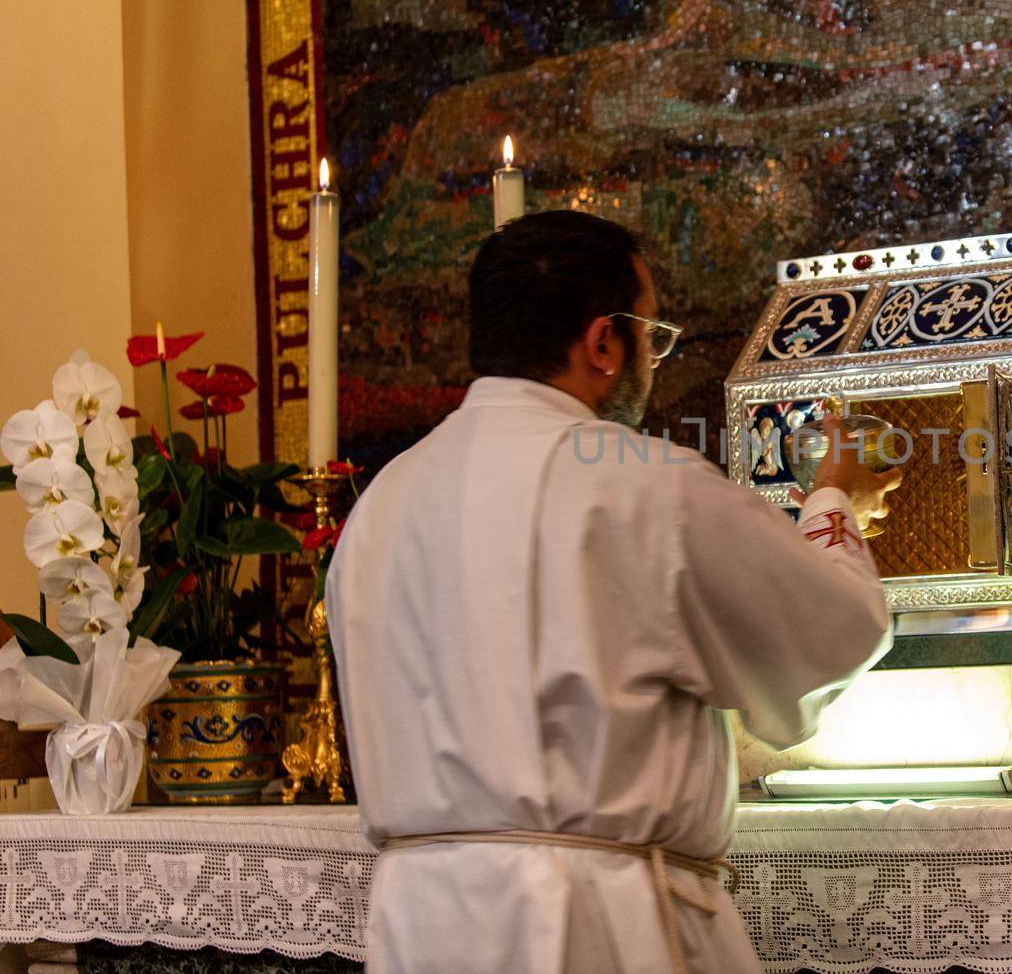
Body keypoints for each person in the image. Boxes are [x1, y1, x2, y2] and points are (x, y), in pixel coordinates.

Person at [326, 210, 901, 974]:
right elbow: (825, 637)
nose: (654, 362)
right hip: (597, 927)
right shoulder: (639, 482)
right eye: (653, 336)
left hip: (421, 927)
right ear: (604, 341)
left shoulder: (381, 504)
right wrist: (834, 500)